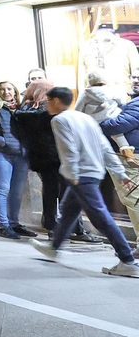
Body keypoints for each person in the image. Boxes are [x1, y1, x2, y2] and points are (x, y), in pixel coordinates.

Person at [33, 87, 139, 276]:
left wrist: (72, 174)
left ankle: (127, 260)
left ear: (57, 101)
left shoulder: (60, 120)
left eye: (48, 100)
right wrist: (120, 172)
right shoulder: (86, 118)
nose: (46, 104)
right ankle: (54, 247)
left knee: (101, 218)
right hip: (92, 173)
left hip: (81, 176)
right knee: (68, 210)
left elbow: (68, 149)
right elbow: (105, 147)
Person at [15, 82, 96, 243]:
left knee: (51, 193)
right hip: (56, 157)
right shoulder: (48, 112)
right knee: (67, 193)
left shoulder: (23, 111)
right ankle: (75, 230)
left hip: (42, 158)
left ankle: (54, 228)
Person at [0, 81, 34, 239]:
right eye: (1, 89)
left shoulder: (22, 107)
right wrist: (3, 141)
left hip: (21, 155)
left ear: (14, 90)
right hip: (1, 154)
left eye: (9, 88)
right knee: (2, 189)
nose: (6, 92)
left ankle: (14, 224)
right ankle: (3, 225)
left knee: (17, 192)